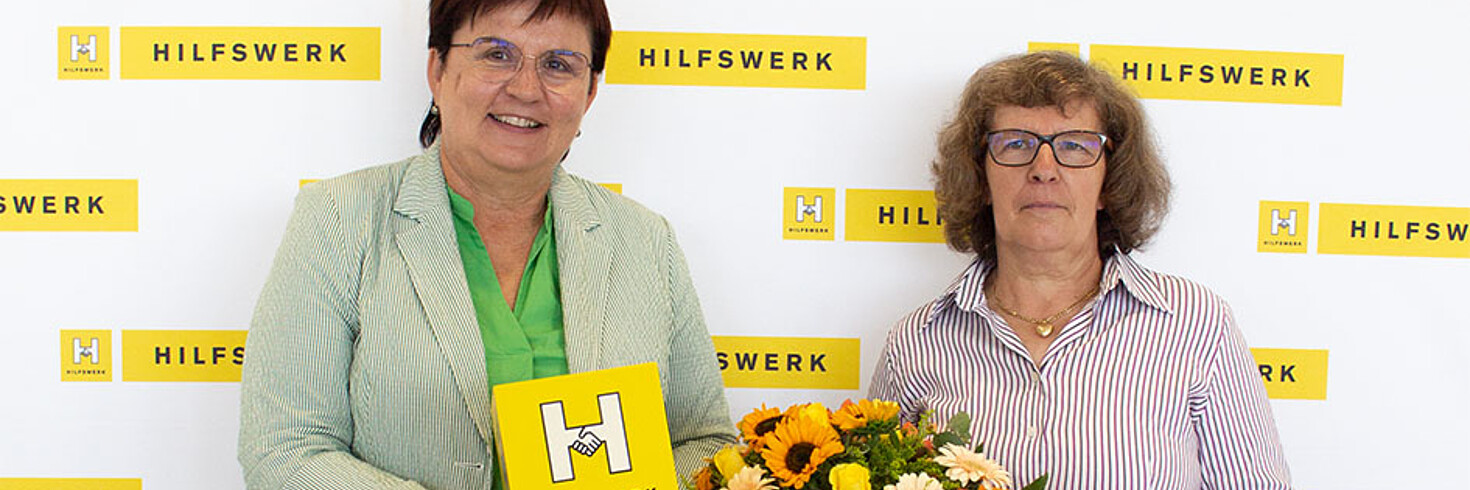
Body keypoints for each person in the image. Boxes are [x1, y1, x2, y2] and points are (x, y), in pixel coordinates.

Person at [237, 0, 736, 488]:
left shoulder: (645, 240)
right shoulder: (339, 219)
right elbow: (286, 449)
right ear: (438, 69)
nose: (525, 88)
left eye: (558, 65)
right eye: (496, 54)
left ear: (588, 95)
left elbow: (706, 441)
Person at [868, 51, 1292, 489]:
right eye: (1015, 144)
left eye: (1074, 146)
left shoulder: (1195, 325)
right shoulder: (915, 343)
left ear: (1110, 182)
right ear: (981, 178)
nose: (1043, 170)